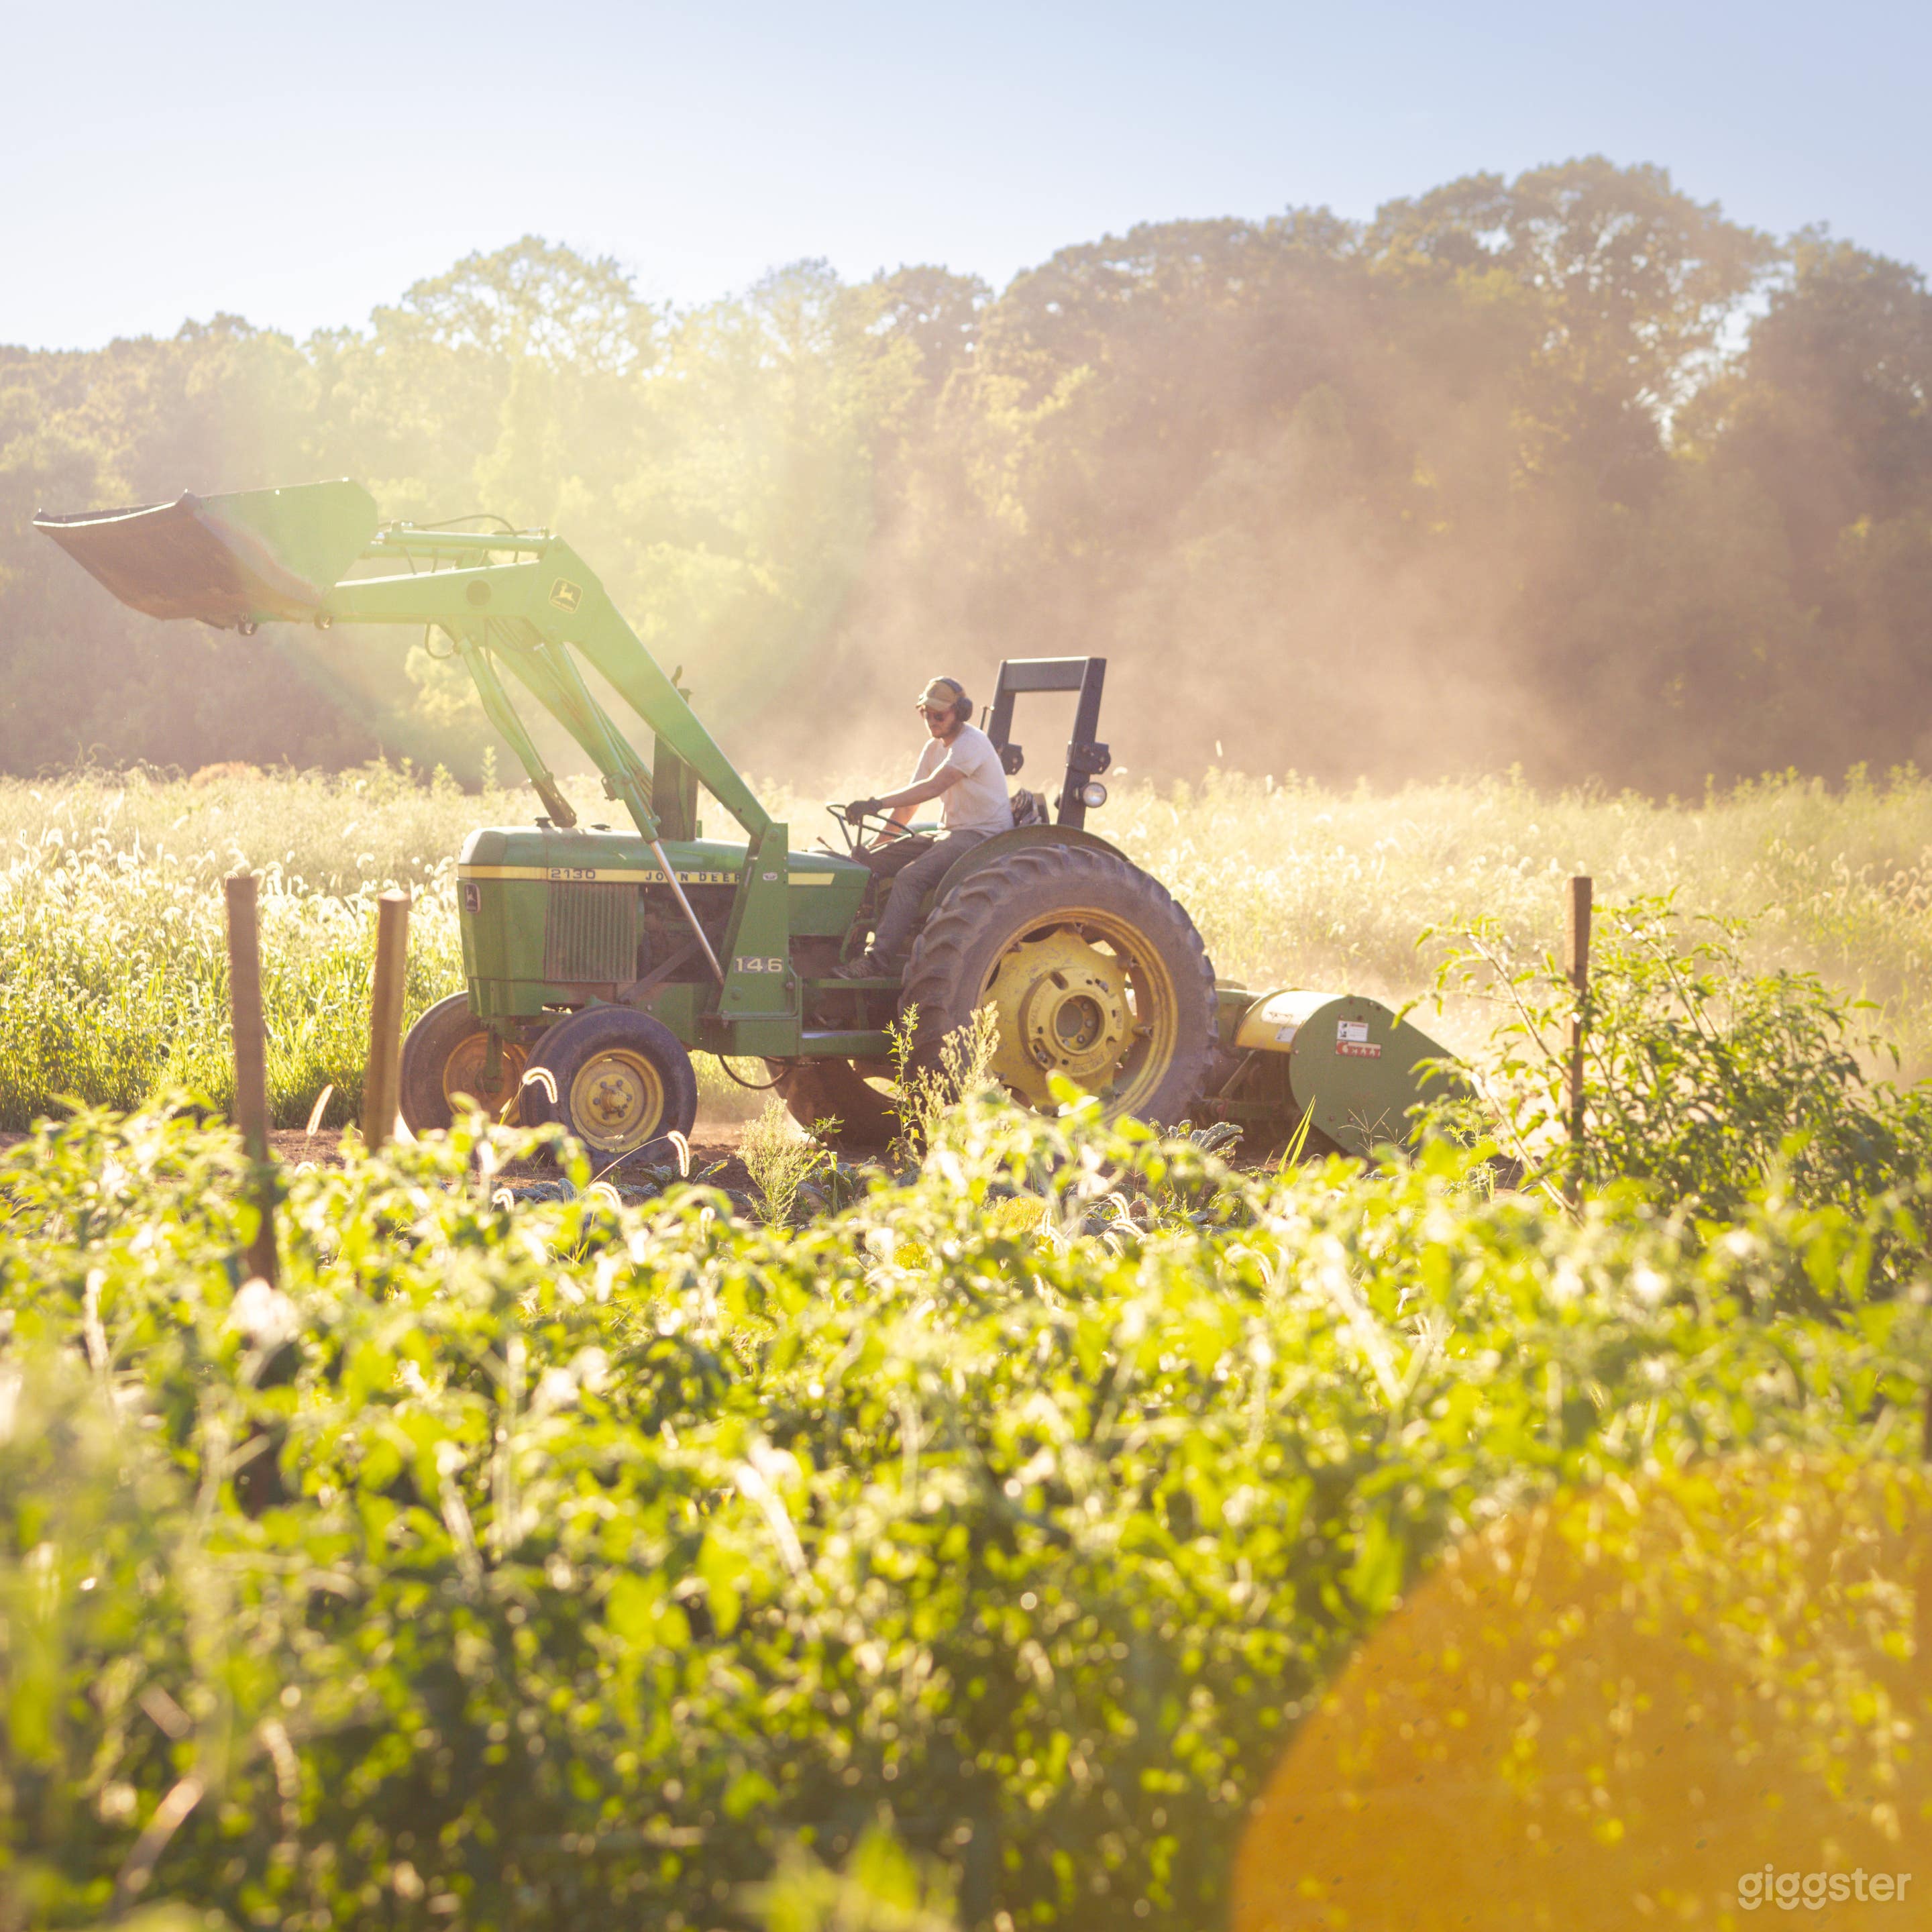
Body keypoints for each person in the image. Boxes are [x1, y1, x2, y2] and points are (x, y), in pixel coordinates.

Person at [835, 675, 1011, 976]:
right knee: (868, 866)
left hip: (982, 836)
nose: (932, 720)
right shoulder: (934, 748)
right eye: (926, 714)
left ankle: (875, 962)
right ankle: (844, 945)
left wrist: (875, 803)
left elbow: (932, 787)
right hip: (951, 832)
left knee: (910, 878)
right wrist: (877, 848)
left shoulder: (972, 744)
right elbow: (907, 806)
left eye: (939, 714)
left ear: (961, 713)